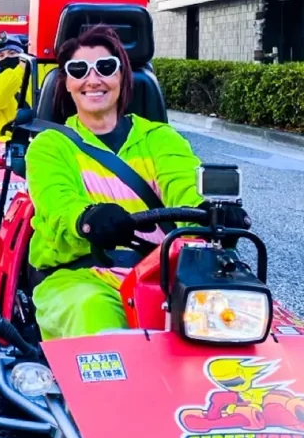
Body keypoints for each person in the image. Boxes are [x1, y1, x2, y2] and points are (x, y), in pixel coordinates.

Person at [25, 24, 251, 340]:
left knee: (238, 323)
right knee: (97, 320)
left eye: (105, 67)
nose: (93, 79)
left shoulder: (160, 138)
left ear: (122, 76)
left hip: (166, 274)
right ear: (67, 83)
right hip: (82, 276)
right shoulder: (51, 145)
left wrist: (208, 209)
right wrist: (86, 218)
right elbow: (56, 201)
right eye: (79, 70)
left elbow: (183, 180)